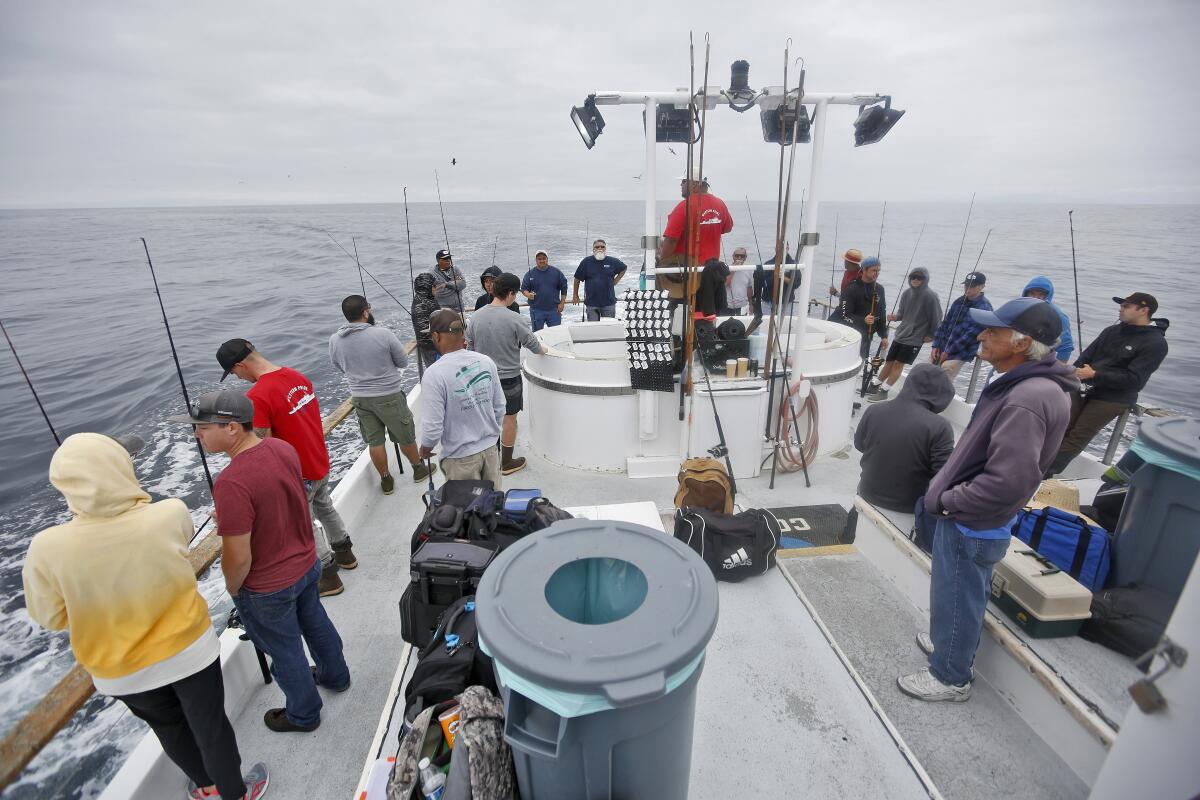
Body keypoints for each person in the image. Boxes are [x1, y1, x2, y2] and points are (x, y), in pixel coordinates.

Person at [22, 432, 268, 800]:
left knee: (170, 731)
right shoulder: (168, 512)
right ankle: (237, 792)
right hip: (189, 652)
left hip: (121, 671)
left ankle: (206, 788)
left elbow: (52, 618)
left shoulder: (45, 548)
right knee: (211, 727)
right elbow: (175, 549)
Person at [900, 298, 1076, 702]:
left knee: (958, 596)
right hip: (977, 518)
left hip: (970, 521)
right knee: (957, 593)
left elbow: (1008, 480)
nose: (981, 335)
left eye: (992, 331)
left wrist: (949, 501)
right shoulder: (1034, 388)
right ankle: (949, 644)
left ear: (1021, 343)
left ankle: (950, 677)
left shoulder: (1026, 399)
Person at [176, 391, 351, 733]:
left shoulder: (231, 481)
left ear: (231, 428)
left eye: (202, 427)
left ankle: (304, 715)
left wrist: (233, 588)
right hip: (306, 565)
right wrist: (231, 512)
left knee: (285, 653)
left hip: (268, 587)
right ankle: (337, 677)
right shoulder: (283, 449)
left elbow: (239, 557)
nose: (196, 435)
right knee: (317, 624)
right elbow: (283, 499)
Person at [216, 338, 354, 597]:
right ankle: (346, 553)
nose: (237, 378)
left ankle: (328, 577)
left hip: (297, 473)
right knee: (325, 507)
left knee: (305, 523)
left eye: (233, 373)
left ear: (240, 365)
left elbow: (259, 445)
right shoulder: (295, 375)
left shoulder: (257, 396)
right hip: (319, 460)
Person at [1047, 292, 1169, 476]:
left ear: (1144, 310)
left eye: (1126, 306)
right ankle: (1032, 465)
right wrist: (1077, 373)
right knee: (1059, 426)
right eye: (1121, 305)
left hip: (1114, 398)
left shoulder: (1156, 343)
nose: (1121, 309)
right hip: (1084, 386)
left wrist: (1095, 374)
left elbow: (1134, 380)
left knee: (1077, 437)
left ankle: (1043, 474)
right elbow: (1085, 358)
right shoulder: (1111, 331)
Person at [328, 295, 436, 494]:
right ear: (365, 312)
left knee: (375, 441)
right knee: (405, 436)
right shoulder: (383, 334)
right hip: (388, 396)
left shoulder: (335, 339)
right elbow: (402, 362)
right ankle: (418, 469)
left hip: (360, 399)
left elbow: (338, 366)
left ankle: (386, 479)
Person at [467, 273, 545, 475]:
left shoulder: (475, 317)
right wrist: (545, 350)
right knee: (509, 419)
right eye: (515, 294)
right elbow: (533, 345)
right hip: (509, 378)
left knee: (487, 418)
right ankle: (507, 463)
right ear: (510, 293)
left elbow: (470, 349)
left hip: (482, 377)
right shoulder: (514, 318)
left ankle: (488, 461)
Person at [419, 310, 506, 485]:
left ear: (436, 336)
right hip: (491, 451)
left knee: (466, 510)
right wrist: (490, 434)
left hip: (460, 458)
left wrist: (425, 448)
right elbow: (500, 406)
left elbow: (433, 427)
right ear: (462, 333)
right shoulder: (486, 361)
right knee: (494, 506)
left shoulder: (434, 374)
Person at [854, 364, 955, 512]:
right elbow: (943, 475)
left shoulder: (873, 410)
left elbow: (859, 445)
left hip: (866, 493)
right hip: (908, 506)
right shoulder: (940, 427)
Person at [866, 267, 943, 401]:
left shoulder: (931, 296)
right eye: (913, 277)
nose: (915, 280)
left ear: (925, 280)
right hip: (901, 334)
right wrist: (895, 317)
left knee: (898, 364)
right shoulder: (907, 293)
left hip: (915, 337)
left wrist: (932, 335)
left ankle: (884, 391)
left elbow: (937, 318)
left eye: (919, 278)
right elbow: (902, 314)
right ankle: (875, 385)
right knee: (889, 361)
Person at [657, 174, 734, 301]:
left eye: (683, 182)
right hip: (712, 272)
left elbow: (671, 240)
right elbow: (728, 228)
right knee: (706, 315)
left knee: (682, 314)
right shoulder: (720, 204)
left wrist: (662, 263)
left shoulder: (684, 206)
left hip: (687, 276)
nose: (681, 185)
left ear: (694, 184)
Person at [930, 271, 992, 379]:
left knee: (945, 371)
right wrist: (936, 345)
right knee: (925, 368)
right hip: (943, 347)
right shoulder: (959, 301)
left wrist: (948, 352)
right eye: (966, 285)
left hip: (961, 352)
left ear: (982, 286)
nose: (968, 288)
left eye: (972, 286)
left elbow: (969, 336)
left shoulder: (985, 308)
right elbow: (945, 323)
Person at [835, 256, 888, 359]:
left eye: (878, 270)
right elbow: (844, 314)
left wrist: (884, 336)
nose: (876, 273)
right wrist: (863, 320)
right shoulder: (852, 288)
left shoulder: (880, 289)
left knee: (861, 360)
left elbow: (882, 312)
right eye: (873, 270)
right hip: (850, 335)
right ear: (864, 270)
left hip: (868, 335)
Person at [1021, 275, 1075, 362]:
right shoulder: (1020, 310)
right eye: (1032, 294)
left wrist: (1055, 369)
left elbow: (1066, 347)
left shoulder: (1058, 316)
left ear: (1048, 296)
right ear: (1026, 294)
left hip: (1045, 361)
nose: (1035, 298)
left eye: (1040, 295)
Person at [572, 239, 626, 320]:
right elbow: (577, 279)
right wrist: (575, 295)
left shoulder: (612, 261)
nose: (600, 248)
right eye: (597, 247)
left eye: (602, 247)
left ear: (605, 249)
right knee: (594, 329)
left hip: (609, 303)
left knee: (608, 328)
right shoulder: (586, 262)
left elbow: (624, 268)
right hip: (591, 304)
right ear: (593, 249)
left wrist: (615, 281)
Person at [521, 249, 569, 331]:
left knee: (556, 334)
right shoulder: (529, 274)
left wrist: (562, 303)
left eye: (544, 258)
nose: (542, 260)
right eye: (539, 259)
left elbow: (564, 287)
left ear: (547, 259)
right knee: (538, 335)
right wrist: (528, 295)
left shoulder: (556, 272)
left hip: (554, 310)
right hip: (536, 310)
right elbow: (524, 289)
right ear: (536, 260)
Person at [411, 273, 441, 370]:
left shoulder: (429, 299)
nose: (436, 288)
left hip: (439, 346)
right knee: (437, 374)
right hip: (432, 350)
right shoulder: (420, 304)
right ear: (427, 287)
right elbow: (424, 333)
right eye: (434, 286)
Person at [724, 247, 753, 315]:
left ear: (745, 258)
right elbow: (725, 284)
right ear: (733, 256)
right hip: (726, 305)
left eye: (742, 256)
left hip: (742, 306)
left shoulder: (748, 270)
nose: (739, 258)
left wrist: (751, 304)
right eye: (737, 255)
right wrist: (734, 269)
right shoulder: (726, 268)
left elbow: (749, 288)